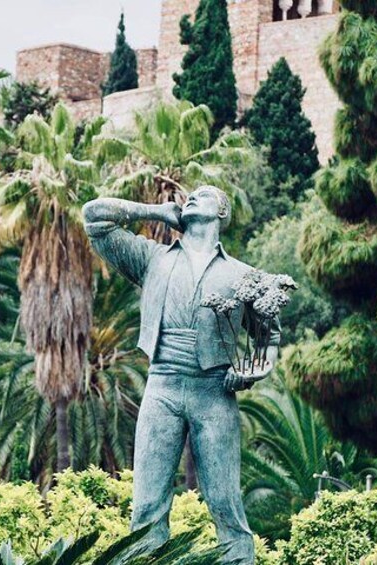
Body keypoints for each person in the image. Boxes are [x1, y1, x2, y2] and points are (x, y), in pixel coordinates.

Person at [82, 186, 281, 564]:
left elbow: (268, 338)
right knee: (147, 504)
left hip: (214, 392)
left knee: (225, 504)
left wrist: (255, 370)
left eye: (203, 195)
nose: (191, 196)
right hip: (162, 387)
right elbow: (94, 216)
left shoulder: (243, 275)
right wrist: (158, 212)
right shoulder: (152, 258)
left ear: (222, 211)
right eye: (190, 194)